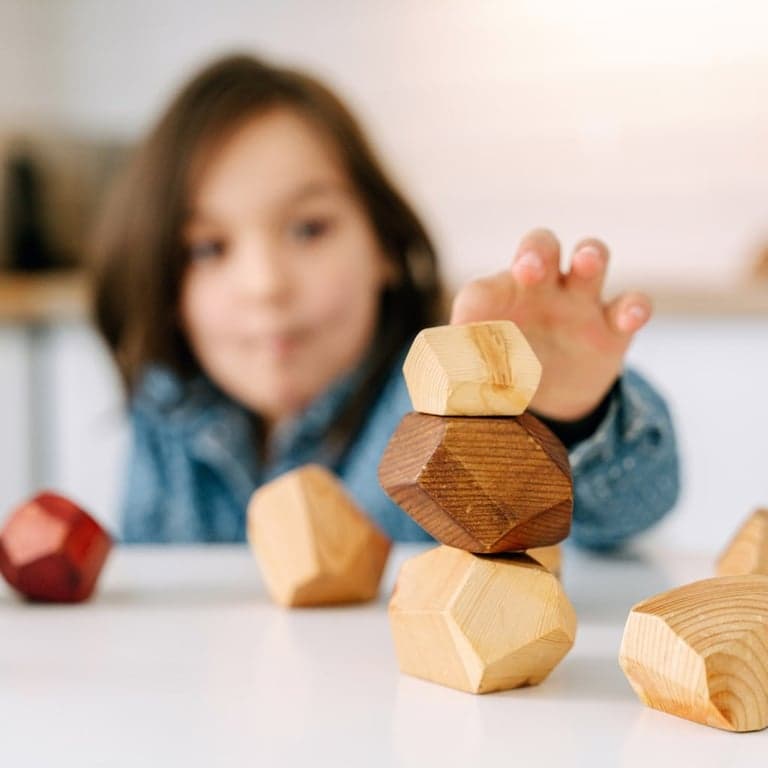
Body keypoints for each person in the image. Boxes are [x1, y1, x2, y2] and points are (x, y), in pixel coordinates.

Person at [92, 53, 679, 549]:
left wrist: (569, 416)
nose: (265, 284)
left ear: (385, 248)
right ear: (166, 288)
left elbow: (630, 505)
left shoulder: (437, 403)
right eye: (208, 249)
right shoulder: (164, 413)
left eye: (307, 230)